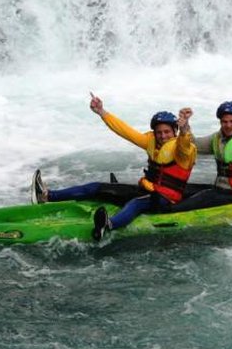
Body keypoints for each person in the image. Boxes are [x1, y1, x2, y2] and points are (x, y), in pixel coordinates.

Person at [32, 94, 197, 241]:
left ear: (174, 131)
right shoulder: (151, 142)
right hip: (149, 190)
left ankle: (108, 226)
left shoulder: (182, 151)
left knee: (136, 204)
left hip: (166, 199)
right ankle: (46, 196)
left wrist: (184, 129)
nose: (163, 136)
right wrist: (102, 112)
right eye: (159, 132)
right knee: (96, 187)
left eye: (167, 132)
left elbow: (184, 145)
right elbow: (125, 131)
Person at [169, 101, 232, 212]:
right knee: (178, 188)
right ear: (220, 122)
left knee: (193, 202)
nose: (228, 126)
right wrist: (185, 125)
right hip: (221, 190)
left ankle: (169, 213)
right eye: (224, 122)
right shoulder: (217, 138)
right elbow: (193, 145)